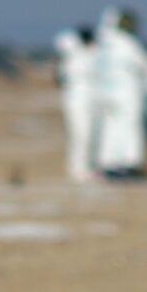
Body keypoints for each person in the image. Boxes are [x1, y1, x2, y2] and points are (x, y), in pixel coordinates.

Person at [92, 8, 147, 178]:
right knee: (131, 127)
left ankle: (111, 163)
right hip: (127, 92)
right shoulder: (128, 44)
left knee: (111, 129)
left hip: (107, 93)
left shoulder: (103, 45)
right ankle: (130, 164)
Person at [53, 27, 97, 183]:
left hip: (83, 99)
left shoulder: (76, 56)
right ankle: (78, 170)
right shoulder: (75, 56)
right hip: (77, 100)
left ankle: (84, 168)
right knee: (81, 134)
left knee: (86, 135)